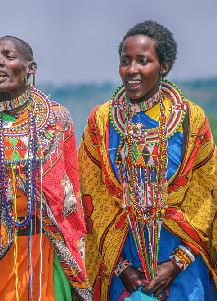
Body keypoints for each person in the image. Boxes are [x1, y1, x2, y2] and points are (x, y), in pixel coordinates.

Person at [79, 20, 216, 300]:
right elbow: (91, 195)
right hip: (123, 258)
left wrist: (175, 264)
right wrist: (123, 268)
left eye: (143, 61)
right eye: (125, 61)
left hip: (182, 258)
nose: (132, 70)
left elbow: (207, 194)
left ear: (163, 66)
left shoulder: (192, 119)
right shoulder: (101, 121)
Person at [0, 36, 91, 301]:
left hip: (49, 252)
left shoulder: (57, 119)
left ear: (30, 68)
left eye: (8, 56)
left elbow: (71, 198)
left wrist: (78, 273)